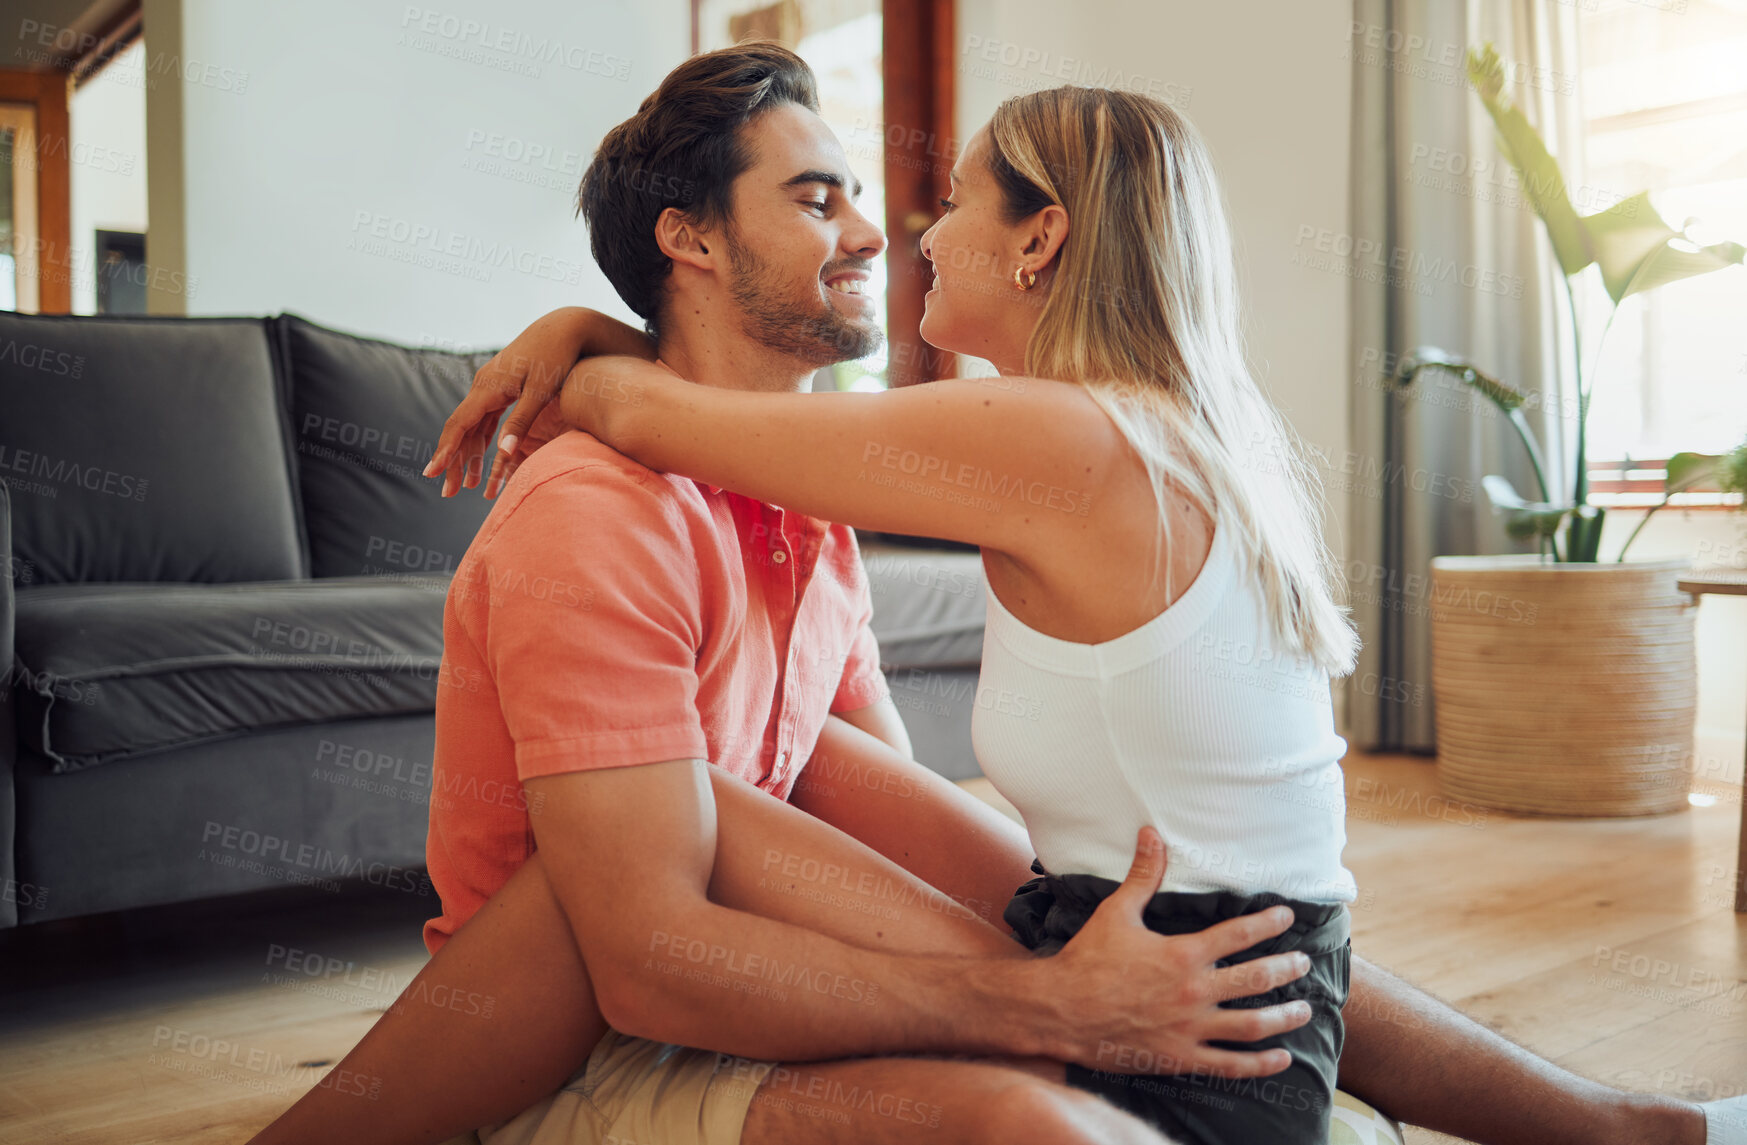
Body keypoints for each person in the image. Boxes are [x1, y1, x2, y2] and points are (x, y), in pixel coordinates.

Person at [253, 42, 1736, 1145]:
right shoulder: (615, 511)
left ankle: (1616, 1129)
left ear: (1042, 239)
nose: (890, 229)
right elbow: (658, 936)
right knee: (974, 968)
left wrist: (584, 339)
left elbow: (879, 808)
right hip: (586, 997)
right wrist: (1045, 1003)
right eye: (822, 195)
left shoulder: (873, 488)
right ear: (692, 239)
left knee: (853, 841)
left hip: (810, 934)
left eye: (928, 197)